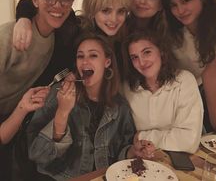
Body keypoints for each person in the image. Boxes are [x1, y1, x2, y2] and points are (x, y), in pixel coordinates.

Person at [0, 0, 79, 180]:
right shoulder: (8, 37)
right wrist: (23, 17)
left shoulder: (60, 37)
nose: (58, 5)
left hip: (15, 124)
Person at [27, 33, 139, 180]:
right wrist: (62, 112)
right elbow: (37, 155)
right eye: (80, 56)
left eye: (93, 55)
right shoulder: (58, 93)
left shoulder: (120, 106)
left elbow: (123, 152)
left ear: (107, 62)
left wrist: (134, 151)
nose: (85, 61)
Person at [161, 0, 216, 133]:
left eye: (186, 0)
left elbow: (212, 72)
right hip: (170, 89)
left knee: (208, 133)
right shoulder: (168, 28)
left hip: (199, 85)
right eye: (173, 5)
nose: (180, 10)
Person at [122, 31, 203, 154]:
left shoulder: (184, 81)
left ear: (162, 52)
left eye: (147, 52)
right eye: (134, 57)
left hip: (181, 160)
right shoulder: (127, 88)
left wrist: (142, 136)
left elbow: (189, 141)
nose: (142, 62)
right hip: (143, 161)